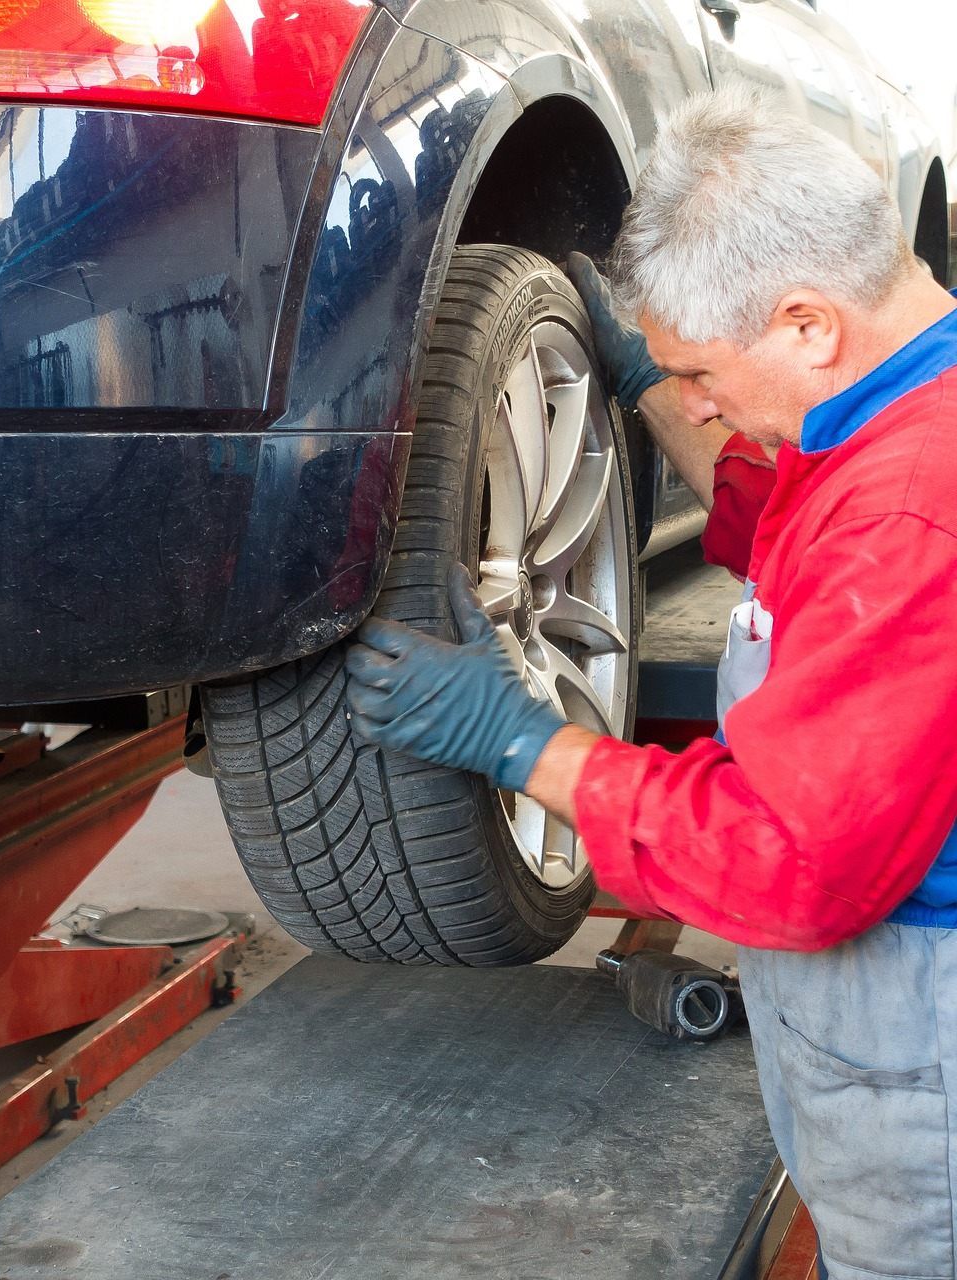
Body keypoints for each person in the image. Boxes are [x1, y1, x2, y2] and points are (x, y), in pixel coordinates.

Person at [345, 86, 957, 1280]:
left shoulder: (910, 513)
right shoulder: (899, 406)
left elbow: (789, 860)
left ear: (804, 324)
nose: (698, 401)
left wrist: (527, 745)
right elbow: (782, 522)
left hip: (916, 1032)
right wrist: (641, 382)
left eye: (699, 370)